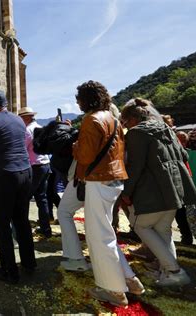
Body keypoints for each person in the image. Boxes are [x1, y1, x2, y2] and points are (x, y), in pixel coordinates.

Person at [72, 81, 144, 306]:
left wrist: (75, 146)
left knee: (98, 237)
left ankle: (114, 290)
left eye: (79, 98)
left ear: (87, 99)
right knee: (106, 234)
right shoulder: (112, 119)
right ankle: (129, 279)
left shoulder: (92, 120)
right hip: (114, 179)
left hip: (98, 180)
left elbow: (84, 156)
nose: (77, 102)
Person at [120, 98, 196, 287]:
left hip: (151, 190)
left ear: (132, 119)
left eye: (125, 122)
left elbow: (136, 167)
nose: (125, 126)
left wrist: (127, 190)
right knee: (164, 231)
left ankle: (174, 271)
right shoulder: (166, 128)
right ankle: (168, 271)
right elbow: (185, 155)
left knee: (140, 226)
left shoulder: (136, 133)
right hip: (175, 188)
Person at [0, 89, 36, 284]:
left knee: (2, 225)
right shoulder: (18, 120)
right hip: (25, 172)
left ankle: (9, 271)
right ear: (5, 103)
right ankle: (29, 263)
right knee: (22, 221)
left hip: (5, 176)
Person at [18, 107, 52, 238]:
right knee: (42, 198)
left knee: (25, 197)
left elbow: (22, 148)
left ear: (26, 117)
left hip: (34, 166)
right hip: (44, 164)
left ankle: (23, 228)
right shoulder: (41, 128)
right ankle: (45, 228)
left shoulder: (27, 131)